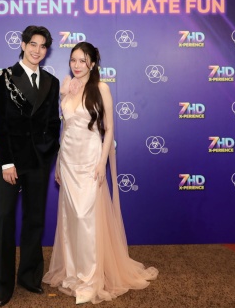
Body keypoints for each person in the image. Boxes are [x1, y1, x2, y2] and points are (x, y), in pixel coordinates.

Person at [43, 42, 158, 304]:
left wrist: (101, 162)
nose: (77, 65)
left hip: (90, 160)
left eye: (83, 60)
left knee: (86, 218)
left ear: (93, 64)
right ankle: (74, 273)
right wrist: (59, 162)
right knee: (71, 219)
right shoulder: (67, 88)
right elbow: (65, 129)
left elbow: (109, 129)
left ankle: (89, 277)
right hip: (68, 160)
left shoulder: (101, 88)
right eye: (73, 60)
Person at [0, 25, 61, 307]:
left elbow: (53, 123)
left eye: (43, 46)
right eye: (33, 44)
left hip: (38, 162)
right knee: (6, 220)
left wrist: (48, 154)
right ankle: (3, 285)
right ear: (22, 44)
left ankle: (29, 277)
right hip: (10, 161)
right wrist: (6, 161)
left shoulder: (51, 82)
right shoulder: (2, 78)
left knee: (35, 220)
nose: (37, 50)